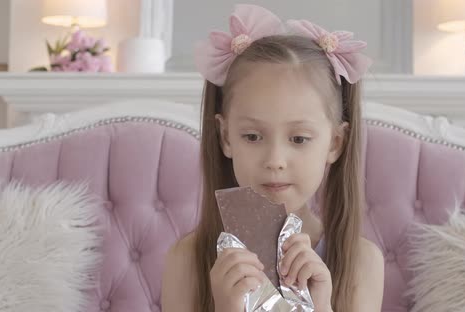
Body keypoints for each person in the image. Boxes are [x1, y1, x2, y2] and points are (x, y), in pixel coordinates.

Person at [162, 4, 384, 311]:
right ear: (226, 137)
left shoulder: (361, 262)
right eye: (252, 137)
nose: (275, 160)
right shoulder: (187, 259)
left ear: (335, 143)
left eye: (299, 139)